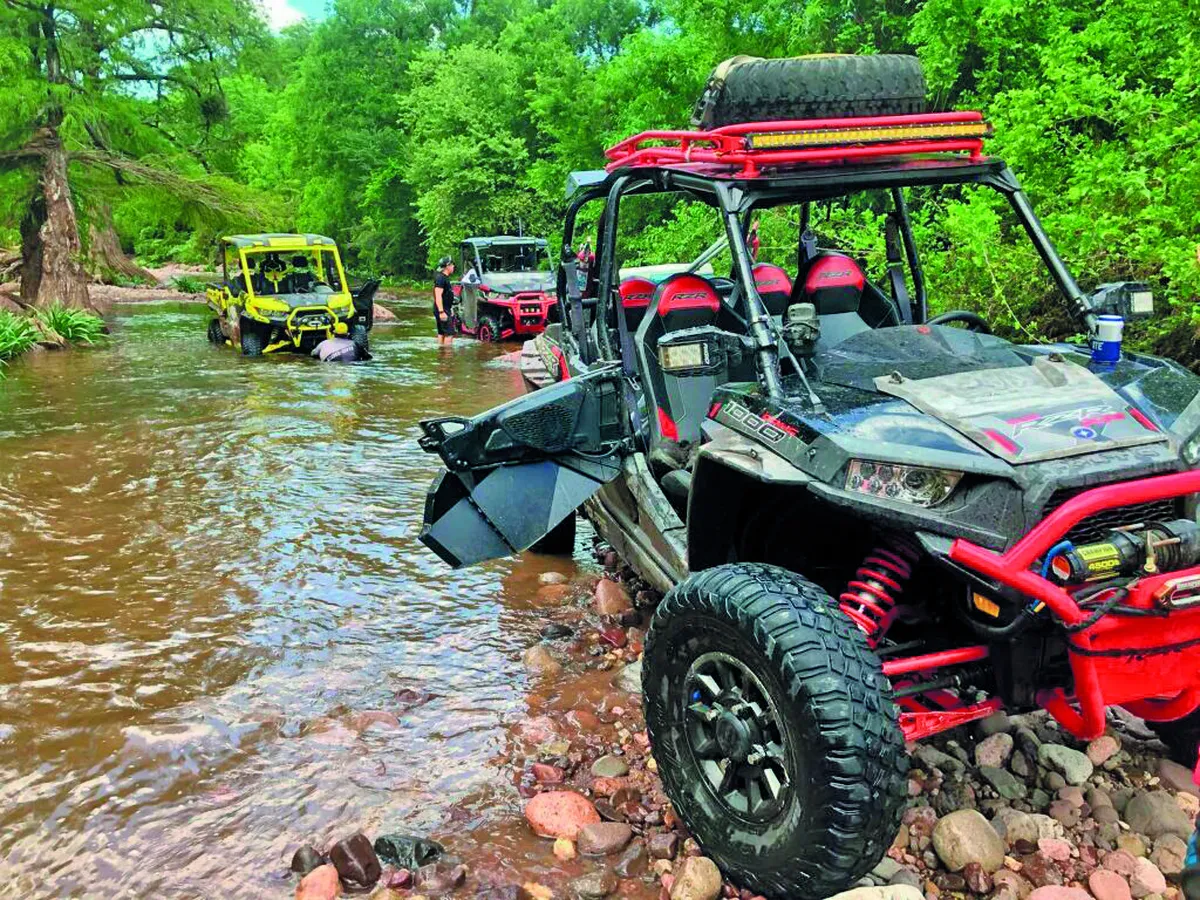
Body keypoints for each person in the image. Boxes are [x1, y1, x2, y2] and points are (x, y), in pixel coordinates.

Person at [433, 256, 456, 345]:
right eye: (452, 264)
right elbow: (438, 295)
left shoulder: (443, 277)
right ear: (447, 266)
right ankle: (447, 357)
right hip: (442, 310)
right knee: (449, 334)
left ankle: (441, 353)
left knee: (441, 333)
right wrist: (442, 312)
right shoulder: (441, 278)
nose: (453, 266)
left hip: (443, 309)